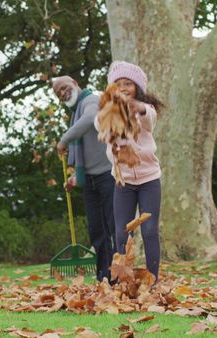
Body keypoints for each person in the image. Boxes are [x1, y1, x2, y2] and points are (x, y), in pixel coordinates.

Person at [95, 61, 164, 285]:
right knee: (122, 232)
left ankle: (151, 282)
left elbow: (150, 115)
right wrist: (110, 108)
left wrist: (137, 106)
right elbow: (99, 125)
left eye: (129, 84)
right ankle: (122, 280)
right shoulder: (107, 111)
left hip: (149, 180)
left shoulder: (143, 110)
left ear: (138, 89)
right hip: (122, 182)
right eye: (118, 84)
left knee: (150, 230)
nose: (124, 88)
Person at [53, 76, 116, 282]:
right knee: (97, 231)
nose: (62, 93)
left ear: (75, 83)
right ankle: (104, 278)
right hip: (89, 180)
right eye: (58, 93)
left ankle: (122, 276)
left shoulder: (90, 100)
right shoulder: (74, 113)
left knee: (114, 228)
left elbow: (90, 119)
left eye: (64, 88)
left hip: (108, 176)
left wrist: (64, 139)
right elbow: (85, 154)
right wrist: (74, 178)